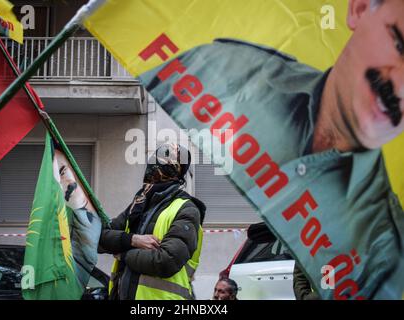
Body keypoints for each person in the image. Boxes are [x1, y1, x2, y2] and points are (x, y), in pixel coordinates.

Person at [138, 0, 404, 299]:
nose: (400, 86)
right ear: (358, 9)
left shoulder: (387, 242)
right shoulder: (227, 69)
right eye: (398, 43)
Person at [98, 143, 206, 300]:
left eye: (161, 163)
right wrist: (133, 240)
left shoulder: (187, 209)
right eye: (154, 160)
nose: (153, 167)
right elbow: (99, 238)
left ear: (175, 171)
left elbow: (167, 261)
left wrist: (123, 253)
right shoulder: (139, 204)